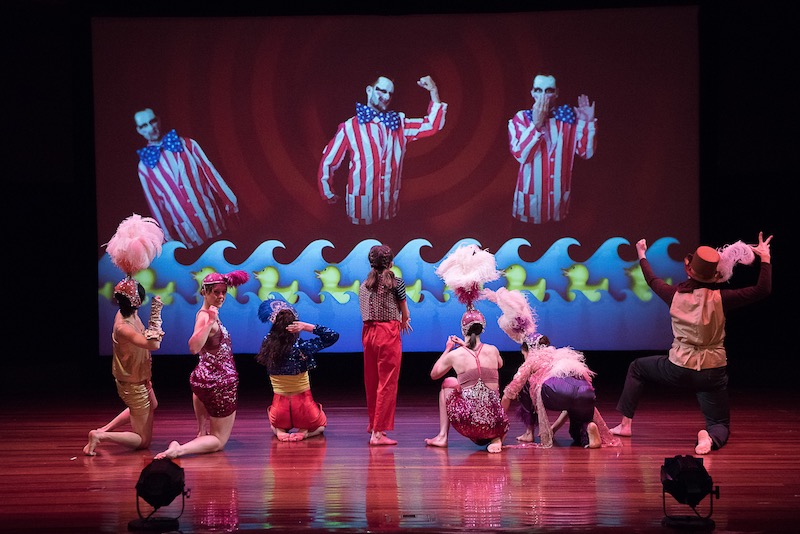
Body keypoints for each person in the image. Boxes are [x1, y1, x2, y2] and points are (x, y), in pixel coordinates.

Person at [610, 232, 773, 454]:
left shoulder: (673, 295)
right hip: (711, 372)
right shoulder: (722, 299)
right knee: (720, 424)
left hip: (677, 367)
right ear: (715, 275)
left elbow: (651, 279)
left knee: (637, 367)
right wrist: (764, 257)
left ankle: (625, 424)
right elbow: (762, 289)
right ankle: (710, 437)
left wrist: (642, 254)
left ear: (689, 271)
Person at [318, 75, 447, 225]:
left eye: (390, 93)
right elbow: (329, 160)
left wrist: (433, 91)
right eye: (382, 91)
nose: (386, 97)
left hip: (390, 212)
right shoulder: (349, 127)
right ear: (369, 90)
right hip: (360, 212)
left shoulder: (399, 124)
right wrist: (327, 192)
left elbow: (432, 126)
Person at [85, 214, 165, 455]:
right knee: (143, 441)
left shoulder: (129, 315)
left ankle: (104, 428)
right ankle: (101, 436)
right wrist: (157, 313)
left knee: (154, 404)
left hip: (139, 376)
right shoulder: (124, 326)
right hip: (131, 382)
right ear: (138, 301)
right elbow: (153, 345)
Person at [155, 270, 249, 459]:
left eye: (224, 292)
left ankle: (201, 431)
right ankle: (179, 450)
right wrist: (210, 323)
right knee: (219, 441)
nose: (221, 296)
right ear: (204, 292)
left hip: (203, 378)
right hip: (220, 383)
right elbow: (193, 346)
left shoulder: (205, 313)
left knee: (199, 392)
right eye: (216, 292)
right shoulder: (206, 317)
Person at [134, 107, 239, 249]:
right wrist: (166, 238)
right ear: (139, 130)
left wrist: (230, 202)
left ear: (158, 120)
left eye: (152, 121)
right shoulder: (144, 168)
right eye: (144, 125)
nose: (151, 128)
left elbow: (211, 174)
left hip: (213, 220)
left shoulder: (188, 145)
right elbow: (156, 205)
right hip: (188, 234)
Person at [508, 73, 597, 223]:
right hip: (529, 210)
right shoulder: (521, 119)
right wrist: (536, 125)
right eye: (538, 90)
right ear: (532, 93)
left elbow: (586, 152)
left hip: (558, 208)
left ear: (556, 93)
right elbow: (521, 156)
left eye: (548, 90)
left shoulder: (569, 119)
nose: (543, 95)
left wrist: (587, 122)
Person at [424, 310, 509, 453]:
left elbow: (434, 374)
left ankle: (442, 436)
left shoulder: (455, 355)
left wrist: (448, 349)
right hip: (496, 425)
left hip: (471, 425)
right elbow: (499, 364)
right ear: (482, 328)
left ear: (463, 329)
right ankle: (495, 437)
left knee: (448, 383)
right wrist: (465, 345)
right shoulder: (493, 350)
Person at [255, 300, 340, 442]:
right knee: (321, 426)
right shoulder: (302, 348)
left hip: (280, 412)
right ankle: (304, 432)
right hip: (304, 409)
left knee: (273, 424)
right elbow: (333, 336)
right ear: (295, 326)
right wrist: (306, 326)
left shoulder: (267, 344)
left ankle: (280, 431)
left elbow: (274, 337)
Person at [358, 244, 412, 446]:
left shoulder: (364, 285)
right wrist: (404, 321)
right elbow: (405, 313)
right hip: (387, 333)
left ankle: (374, 425)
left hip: (368, 334)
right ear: (390, 263)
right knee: (387, 383)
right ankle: (378, 433)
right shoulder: (395, 283)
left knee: (371, 381)